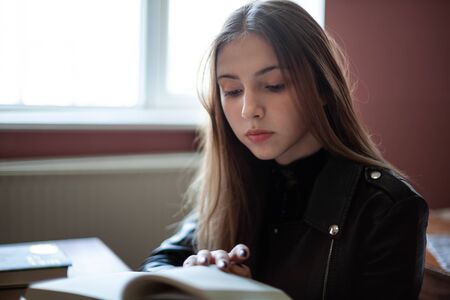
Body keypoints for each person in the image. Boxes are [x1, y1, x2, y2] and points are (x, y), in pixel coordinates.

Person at [140, 0, 428, 299]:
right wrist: (193, 276)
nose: (249, 109)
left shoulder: (387, 208)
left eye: (274, 85)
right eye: (233, 91)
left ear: (324, 88)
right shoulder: (231, 184)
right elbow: (157, 264)